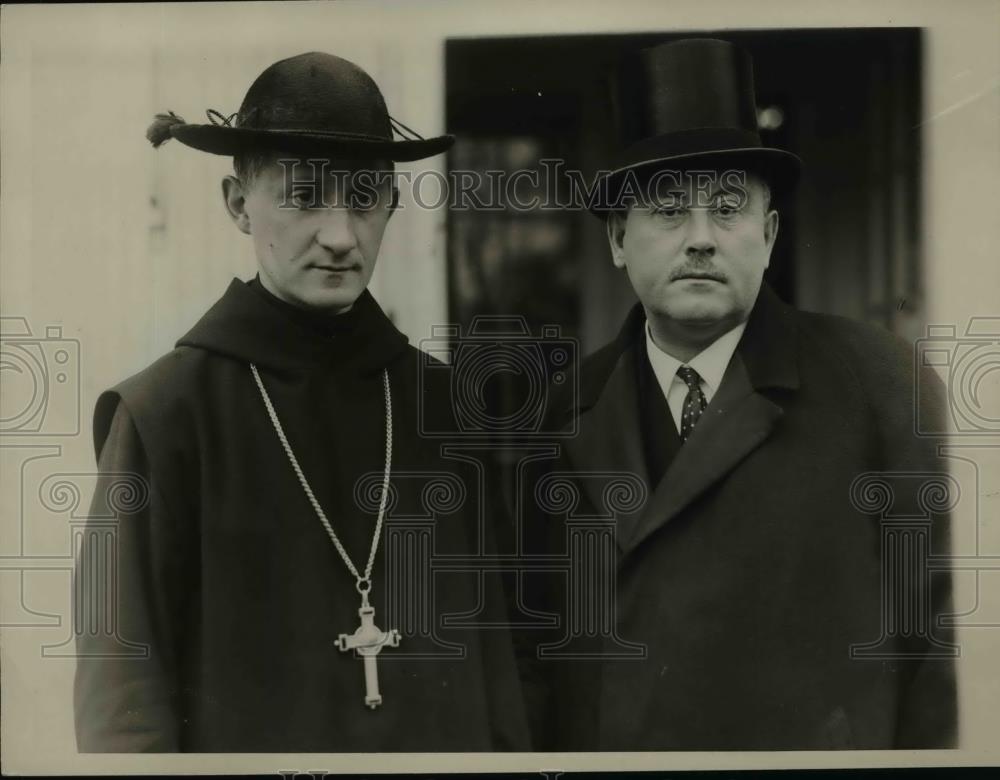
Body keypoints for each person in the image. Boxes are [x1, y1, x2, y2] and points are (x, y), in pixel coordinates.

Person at [73, 51, 528, 752]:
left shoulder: (446, 410)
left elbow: (500, 689)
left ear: (393, 205)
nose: (340, 235)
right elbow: (122, 706)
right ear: (237, 203)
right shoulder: (164, 417)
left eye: (365, 197)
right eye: (305, 195)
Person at [519, 37, 957, 751]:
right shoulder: (568, 411)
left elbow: (942, 648)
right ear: (617, 239)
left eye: (727, 209)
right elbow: (537, 654)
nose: (700, 240)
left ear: (770, 233)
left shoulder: (879, 382)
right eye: (667, 211)